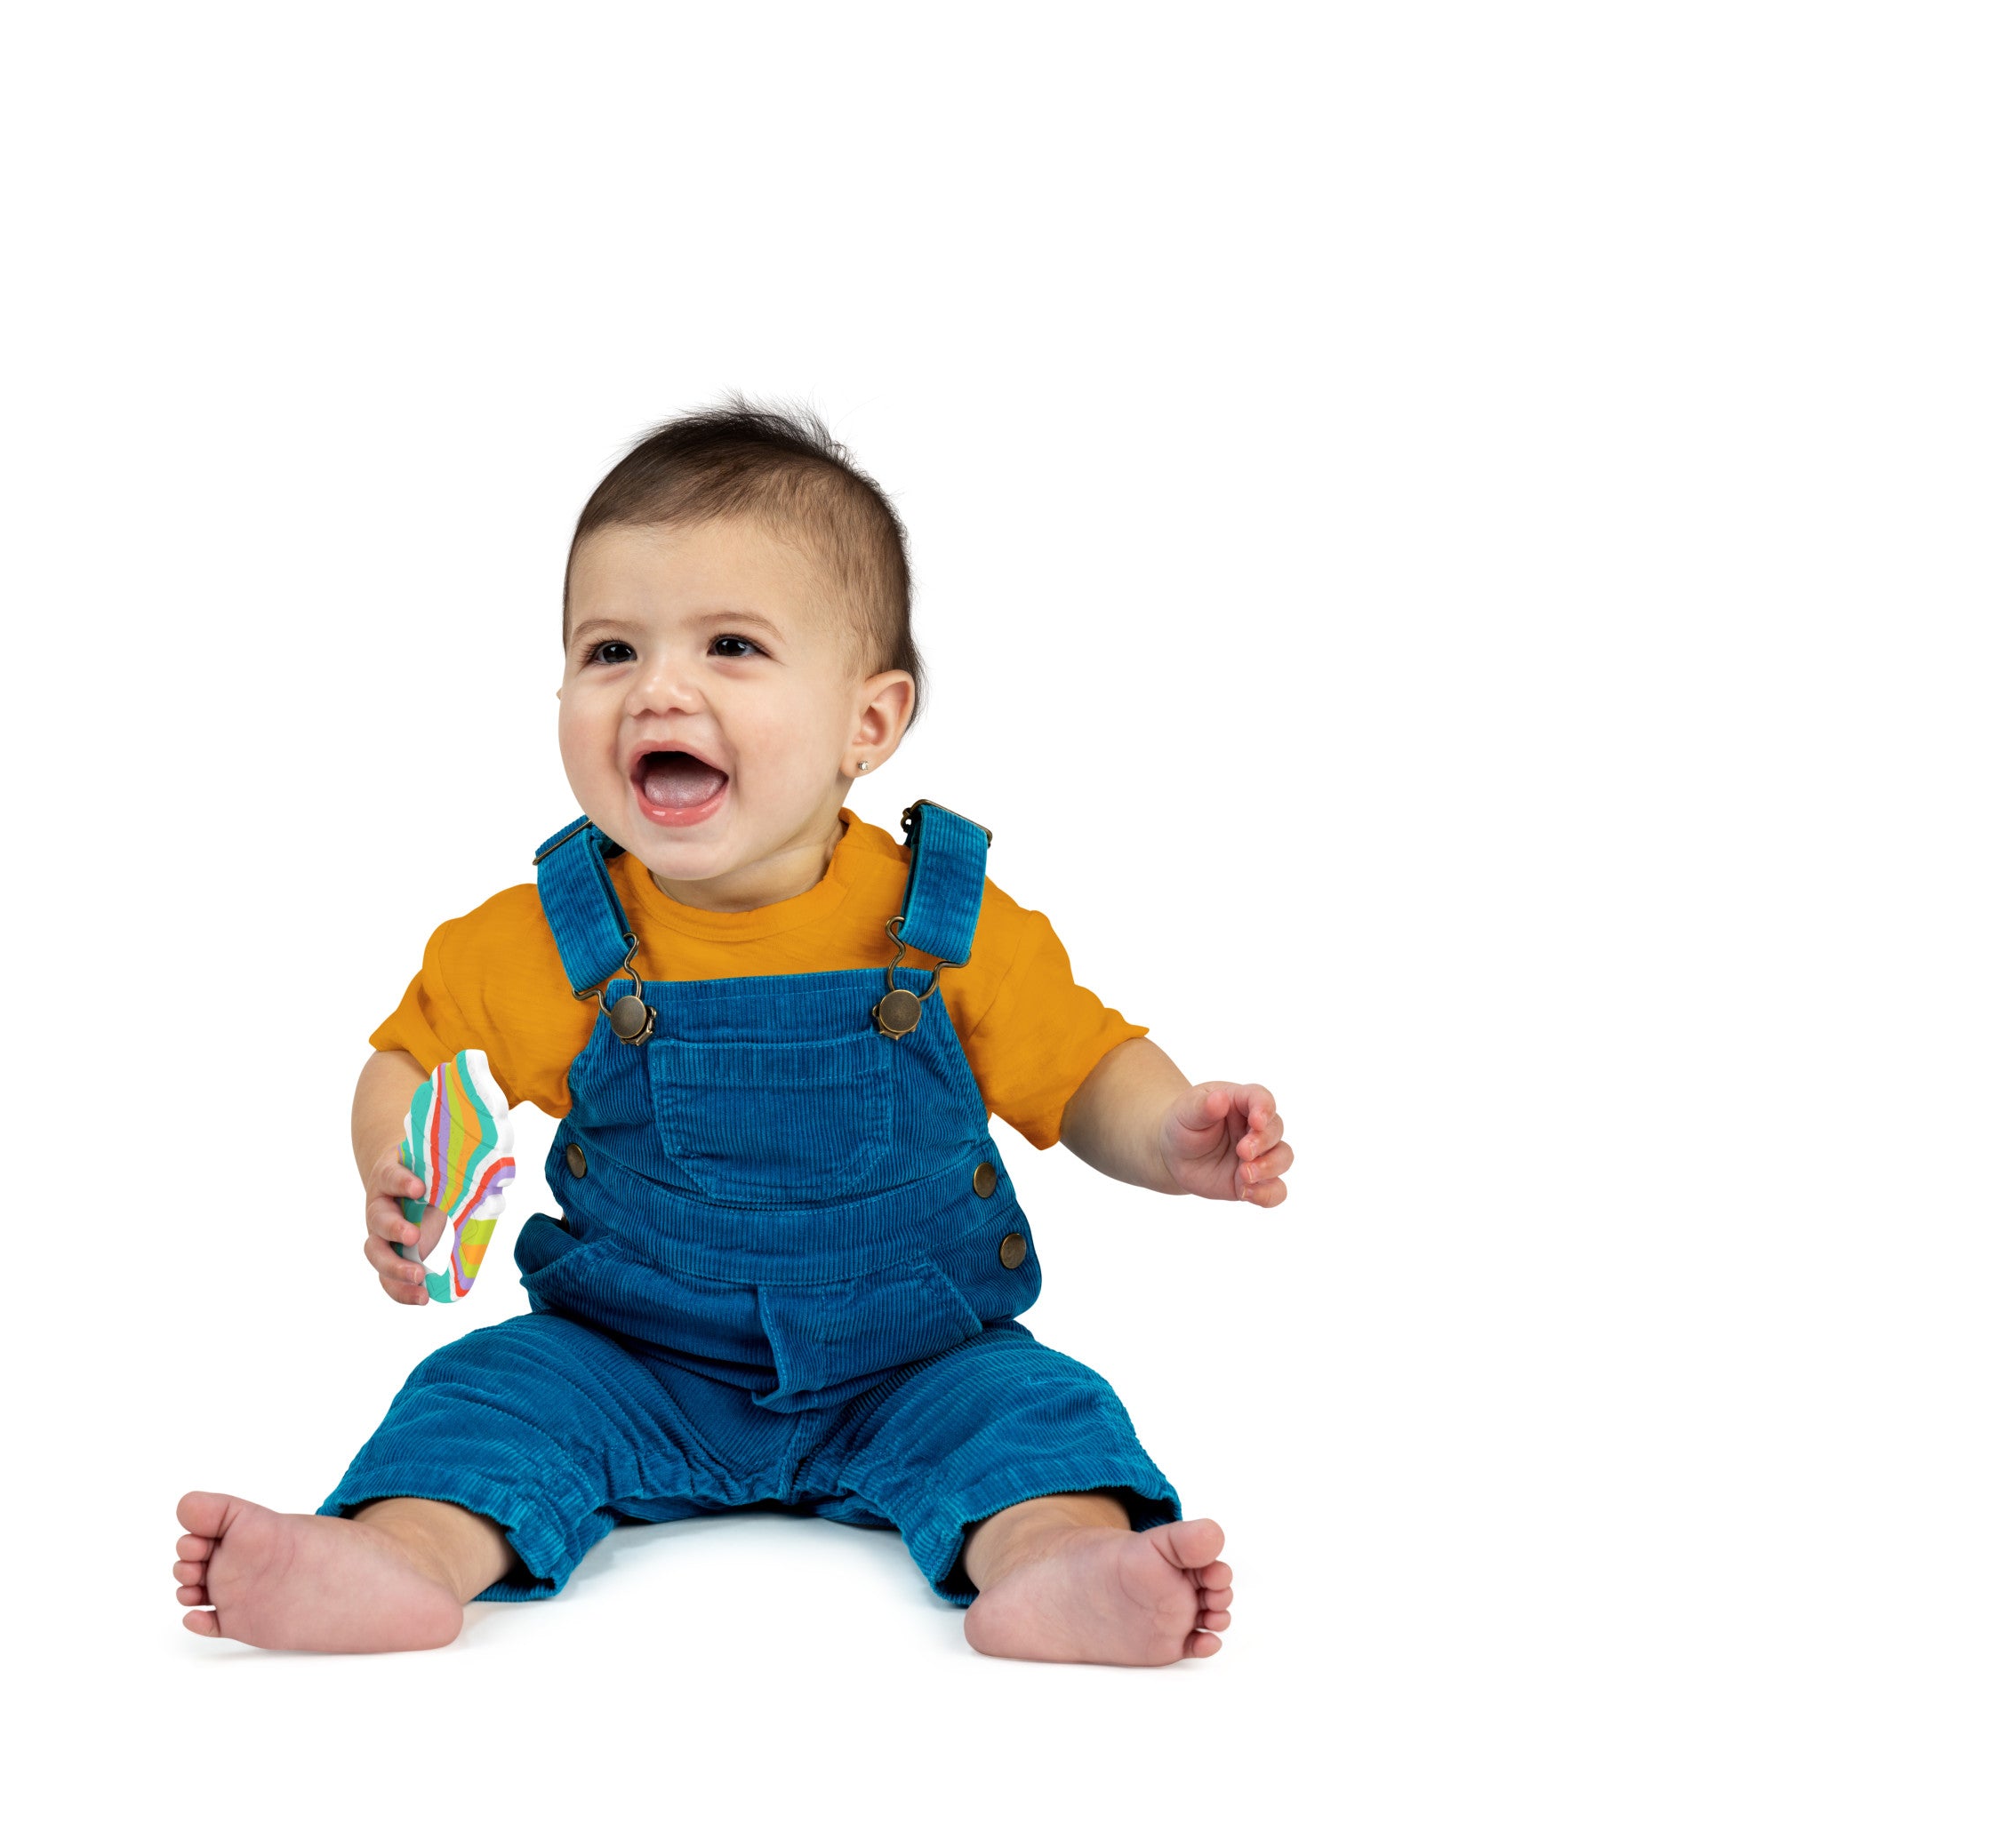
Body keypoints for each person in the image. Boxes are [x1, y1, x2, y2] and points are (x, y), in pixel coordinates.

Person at [171, 407, 1291, 1664]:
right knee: (484, 1398)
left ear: (870, 723)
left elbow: (1085, 1068)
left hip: (917, 1359)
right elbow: (411, 1062)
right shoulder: (551, 936)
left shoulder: (947, 926)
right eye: (610, 650)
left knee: (1037, 1414)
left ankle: (1058, 1563)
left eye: (731, 645)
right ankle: (399, 1555)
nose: (659, 688)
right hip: (625, 1355)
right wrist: (400, 1164)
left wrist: (1171, 1132)